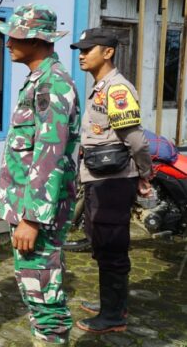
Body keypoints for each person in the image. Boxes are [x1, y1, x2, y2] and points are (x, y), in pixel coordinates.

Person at [0, 4, 81, 346]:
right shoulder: (38, 81)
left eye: (16, 36)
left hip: (38, 213)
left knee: (43, 289)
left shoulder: (52, 84)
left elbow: (51, 155)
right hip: (26, 207)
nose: (8, 42)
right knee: (32, 285)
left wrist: (32, 219)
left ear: (38, 40)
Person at [70, 28, 153, 334]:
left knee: (112, 245)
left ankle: (113, 315)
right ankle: (111, 303)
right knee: (101, 242)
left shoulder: (117, 90)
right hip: (99, 178)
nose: (81, 54)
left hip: (113, 181)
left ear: (108, 52)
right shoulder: (100, 87)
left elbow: (137, 141)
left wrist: (145, 175)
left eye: (88, 49)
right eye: (80, 49)